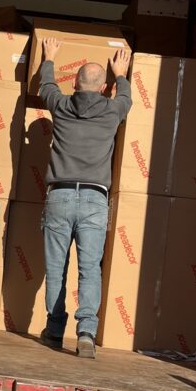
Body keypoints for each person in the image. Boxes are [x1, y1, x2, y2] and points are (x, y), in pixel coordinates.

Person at [38, 37, 132, 358]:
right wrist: (121, 75)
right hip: (94, 199)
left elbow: (46, 87)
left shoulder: (62, 106)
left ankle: (54, 330)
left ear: (74, 84)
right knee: (90, 268)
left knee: (56, 268)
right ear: (104, 88)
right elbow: (126, 99)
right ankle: (86, 333)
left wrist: (49, 57)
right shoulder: (112, 110)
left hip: (60, 195)